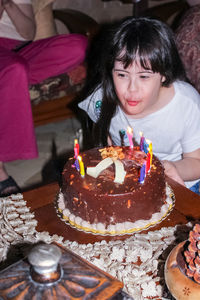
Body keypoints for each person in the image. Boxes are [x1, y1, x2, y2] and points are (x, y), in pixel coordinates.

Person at [78, 17, 200, 195]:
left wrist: (173, 168)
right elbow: (106, 138)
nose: (131, 89)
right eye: (121, 75)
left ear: (165, 74)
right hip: (130, 184)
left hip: (183, 182)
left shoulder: (186, 104)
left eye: (144, 76)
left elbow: (196, 161)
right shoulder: (101, 98)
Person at [0, 0, 88, 197]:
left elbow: (28, 33)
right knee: (14, 68)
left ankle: (11, 77)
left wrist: (9, 5)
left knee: (77, 45)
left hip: (19, 51)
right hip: (7, 57)